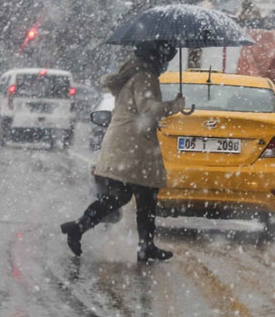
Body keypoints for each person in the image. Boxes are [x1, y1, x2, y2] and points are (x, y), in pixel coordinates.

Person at [60, 41, 184, 262]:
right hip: (134, 145)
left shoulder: (134, 73)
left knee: (124, 196)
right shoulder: (146, 76)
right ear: (157, 55)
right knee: (141, 195)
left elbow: (137, 110)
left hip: (127, 142)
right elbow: (147, 109)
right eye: (167, 56)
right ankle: (144, 246)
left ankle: (80, 227)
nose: (167, 62)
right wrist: (174, 105)